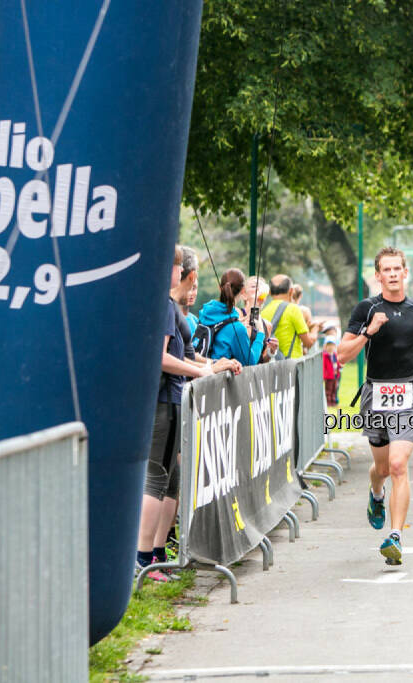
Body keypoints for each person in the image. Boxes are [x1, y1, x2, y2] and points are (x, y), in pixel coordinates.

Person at [337, 246, 413, 565]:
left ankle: (396, 536)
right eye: (385, 270)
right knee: (383, 468)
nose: (391, 275)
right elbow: (342, 354)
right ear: (378, 276)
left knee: (399, 464)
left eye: (396, 269)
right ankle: (376, 494)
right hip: (375, 394)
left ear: (405, 272)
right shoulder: (366, 308)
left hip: (409, 395)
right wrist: (368, 332)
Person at [137, 246, 217, 582]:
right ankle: (142, 558)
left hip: (171, 399)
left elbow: (182, 352)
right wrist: (200, 373)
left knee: (170, 479)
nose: (180, 271)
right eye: (176, 266)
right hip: (164, 400)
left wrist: (210, 365)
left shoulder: (166, 305)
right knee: (157, 478)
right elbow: (162, 358)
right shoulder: (163, 305)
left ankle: (156, 553)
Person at [197, 268, 267, 366]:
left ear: (219, 287)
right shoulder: (237, 328)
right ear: (243, 291)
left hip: (200, 372)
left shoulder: (205, 313)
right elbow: (250, 362)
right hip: (220, 378)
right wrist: (260, 334)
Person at [261, 275, 320, 359]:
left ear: (269, 292)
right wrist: (315, 329)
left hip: (271, 365)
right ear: (291, 291)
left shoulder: (263, 312)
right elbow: (308, 343)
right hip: (292, 365)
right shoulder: (293, 309)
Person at [322, 337, 341, 407]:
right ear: (325, 346)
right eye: (329, 345)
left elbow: (338, 363)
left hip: (335, 375)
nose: (331, 347)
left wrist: (339, 367)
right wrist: (324, 376)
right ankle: (328, 402)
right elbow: (323, 367)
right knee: (328, 390)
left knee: (334, 389)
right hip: (329, 376)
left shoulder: (335, 355)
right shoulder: (324, 356)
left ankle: (334, 402)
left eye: (332, 345)